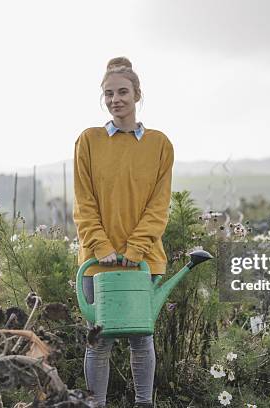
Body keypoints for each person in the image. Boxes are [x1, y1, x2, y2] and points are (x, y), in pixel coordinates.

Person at [73, 57, 174, 407]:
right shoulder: (89, 141)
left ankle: (144, 403)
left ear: (137, 94)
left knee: (141, 340)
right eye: (109, 93)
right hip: (97, 261)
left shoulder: (159, 145)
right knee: (99, 342)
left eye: (122, 92)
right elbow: (84, 203)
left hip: (142, 262)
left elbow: (159, 206)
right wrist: (101, 246)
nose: (115, 99)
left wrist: (135, 249)